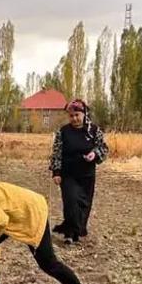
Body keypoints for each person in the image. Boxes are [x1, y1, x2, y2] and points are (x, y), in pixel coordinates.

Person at [49, 99, 109, 244]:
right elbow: (57, 152)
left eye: (77, 115)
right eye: (71, 116)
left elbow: (103, 148)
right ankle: (69, 234)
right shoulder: (63, 132)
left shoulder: (94, 130)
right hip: (68, 174)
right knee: (71, 202)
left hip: (87, 175)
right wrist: (56, 172)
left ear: (84, 114)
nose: (74, 118)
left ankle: (76, 232)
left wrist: (94, 154)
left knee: (83, 204)